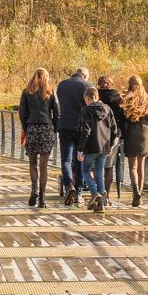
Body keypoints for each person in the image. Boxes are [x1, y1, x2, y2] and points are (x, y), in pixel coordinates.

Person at [16, 68, 58, 208]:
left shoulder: (26, 92)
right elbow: (57, 113)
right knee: (44, 167)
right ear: (46, 77)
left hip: (32, 128)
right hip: (47, 129)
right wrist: (54, 129)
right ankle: (42, 198)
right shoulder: (50, 92)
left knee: (32, 164)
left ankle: (33, 190)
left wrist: (25, 128)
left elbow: (22, 113)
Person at [78, 84, 120, 213]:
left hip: (91, 147)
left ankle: (94, 192)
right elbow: (114, 130)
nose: (86, 101)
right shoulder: (107, 109)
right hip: (104, 147)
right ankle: (101, 204)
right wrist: (111, 145)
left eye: (86, 99)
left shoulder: (86, 110)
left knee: (85, 170)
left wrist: (80, 149)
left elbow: (86, 131)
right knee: (99, 173)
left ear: (89, 98)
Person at [118, 75, 148, 206]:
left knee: (132, 166)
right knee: (141, 166)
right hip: (145, 134)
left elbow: (122, 120)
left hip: (131, 135)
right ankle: (139, 191)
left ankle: (135, 192)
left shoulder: (126, 99)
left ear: (129, 85)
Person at [53, 67, 89, 203]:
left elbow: (60, 104)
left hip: (65, 126)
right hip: (81, 127)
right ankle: (79, 191)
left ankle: (69, 186)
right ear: (84, 75)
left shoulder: (62, 85)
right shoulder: (87, 85)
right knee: (80, 159)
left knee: (66, 159)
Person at [95, 73, 125, 200]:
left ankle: (97, 191)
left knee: (95, 166)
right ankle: (106, 195)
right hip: (112, 136)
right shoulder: (117, 97)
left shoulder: (95, 95)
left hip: (96, 134)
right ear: (111, 84)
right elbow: (122, 117)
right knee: (109, 166)